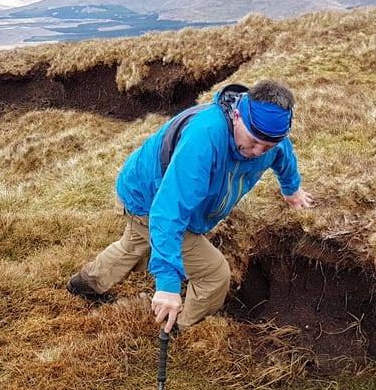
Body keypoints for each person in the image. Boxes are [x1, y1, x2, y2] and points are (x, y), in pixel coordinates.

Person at [67, 79, 314, 334]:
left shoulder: (269, 134)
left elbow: (283, 154)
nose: (258, 152)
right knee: (214, 274)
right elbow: (168, 213)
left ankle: (84, 284)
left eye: (268, 146)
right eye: (253, 142)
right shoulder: (204, 138)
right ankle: (178, 326)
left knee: (135, 244)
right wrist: (168, 286)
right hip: (148, 199)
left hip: (145, 191)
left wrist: (292, 190)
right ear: (238, 116)